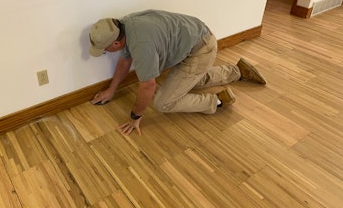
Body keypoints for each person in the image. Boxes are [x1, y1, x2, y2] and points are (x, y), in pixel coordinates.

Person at [88, 10, 266, 136]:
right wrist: (111, 90)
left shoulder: (141, 45)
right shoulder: (124, 26)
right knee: (189, 82)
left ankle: (217, 101)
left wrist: (135, 116)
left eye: (104, 50)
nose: (105, 52)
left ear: (117, 43)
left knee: (162, 103)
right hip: (196, 41)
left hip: (201, 49)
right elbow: (124, 61)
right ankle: (237, 71)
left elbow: (148, 86)